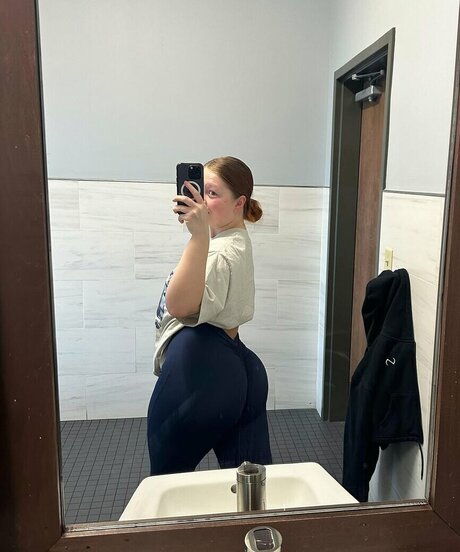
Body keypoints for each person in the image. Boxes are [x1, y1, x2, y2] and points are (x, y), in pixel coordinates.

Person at [147, 156, 273, 476]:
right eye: (200, 190)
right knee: (248, 486)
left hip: (201, 372)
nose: (202, 201)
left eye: (212, 194)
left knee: (167, 481)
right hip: (240, 367)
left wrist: (198, 235)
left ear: (239, 203)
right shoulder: (236, 242)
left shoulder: (217, 251)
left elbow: (178, 305)